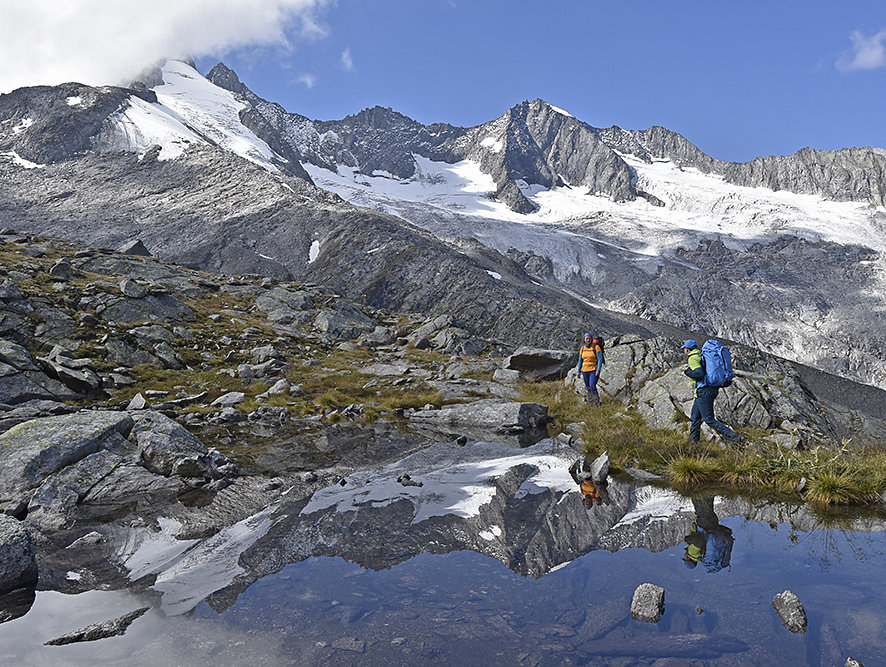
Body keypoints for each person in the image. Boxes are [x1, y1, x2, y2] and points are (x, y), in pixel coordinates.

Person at [681, 339, 741, 444]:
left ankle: (737, 439)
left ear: (687, 349)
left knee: (709, 419)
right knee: (695, 418)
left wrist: (687, 372)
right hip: (708, 390)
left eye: (684, 349)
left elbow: (699, 374)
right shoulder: (700, 355)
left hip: (704, 391)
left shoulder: (693, 358)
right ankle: (692, 444)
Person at [682, 496, 734, 572]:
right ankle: (705, 485)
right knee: (698, 496)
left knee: (708, 502)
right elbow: (699, 540)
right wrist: (687, 539)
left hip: (713, 525)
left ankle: (710, 487)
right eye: (685, 558)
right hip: (704, 523)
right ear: (688, 559)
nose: (684, 556)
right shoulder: (693, 553)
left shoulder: (702, 557)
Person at [577, 333, 604, 405]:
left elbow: (600, 359)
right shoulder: (582, 349)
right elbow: (580, 360)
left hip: (593, 370)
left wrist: (598, 370)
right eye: (586, 339)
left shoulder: (596, 347)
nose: (588, 340)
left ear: (591, 339)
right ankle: (590, 403)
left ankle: (597, 403)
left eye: (589, 338)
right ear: (584, 340)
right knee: (588, 387)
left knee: (592, 386)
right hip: (585, 371)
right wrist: (578, 371)